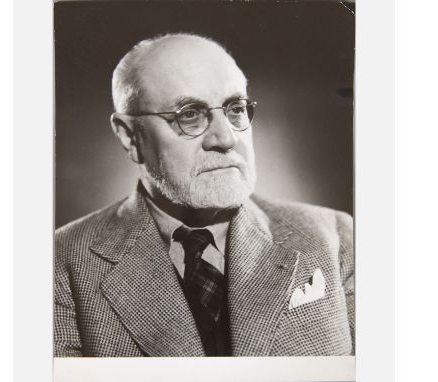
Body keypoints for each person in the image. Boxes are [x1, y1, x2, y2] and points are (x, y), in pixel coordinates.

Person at [54, 33, 354, 357]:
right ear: (129, 136)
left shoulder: (335, 236)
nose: (225, 138)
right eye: (190, 115)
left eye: (236, 108)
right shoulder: (60, 262)